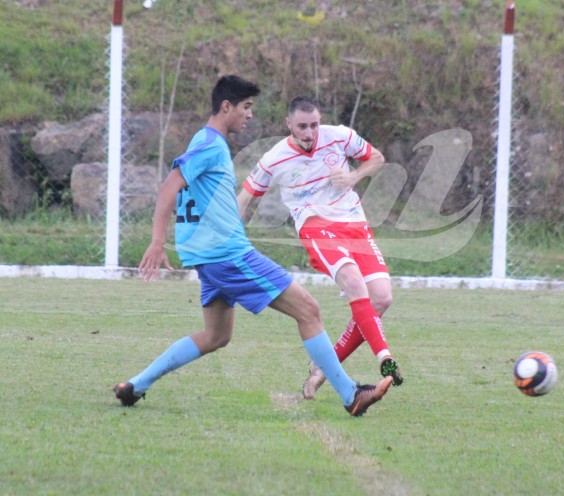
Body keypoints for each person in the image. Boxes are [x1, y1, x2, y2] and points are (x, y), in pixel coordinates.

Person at [112, 75, 391, 417]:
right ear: (226, 107)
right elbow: (170, 185)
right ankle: (350, 395)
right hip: (228, 255)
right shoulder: (212, 144)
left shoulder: (203, 140)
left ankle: (136, 384)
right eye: (246, 108)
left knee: (216, 336)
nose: (249, 115)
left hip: (209, 258)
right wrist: (157, 242)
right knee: (309, 310)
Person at [237, 95, 403, 400]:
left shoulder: (338, 136)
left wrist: (353, 176)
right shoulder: (274, 158)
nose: (309, 132)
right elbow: (245, 197)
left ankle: (323, 370)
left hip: (354, 224)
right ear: (289, 124)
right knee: (354, 282)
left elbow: (376, 157)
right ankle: (385, 358)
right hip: (315, 225)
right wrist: (228, 234)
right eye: (302, 126)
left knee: (381, 298)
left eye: (314, 125)